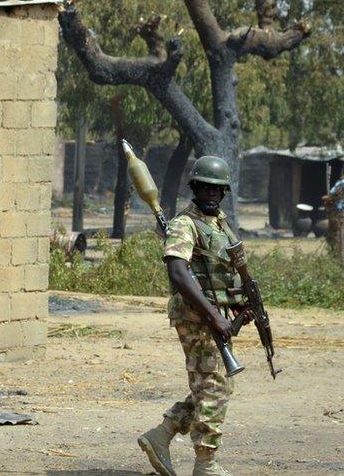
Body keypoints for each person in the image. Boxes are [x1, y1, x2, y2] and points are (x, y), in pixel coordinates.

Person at [138, 156, 240, 476]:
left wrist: (234, 305)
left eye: (217, 188)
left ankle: (163, 433)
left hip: (212, 314)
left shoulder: (219, 222)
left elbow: (214, 271)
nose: (211, 193)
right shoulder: (185, 223)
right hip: (196, 317)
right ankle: (205, 464)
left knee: (210, 384)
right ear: (195, 187)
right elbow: (179, 273)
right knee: (214, 385)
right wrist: (214, 316)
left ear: (224, 192)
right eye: (205, 187)